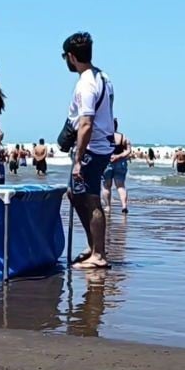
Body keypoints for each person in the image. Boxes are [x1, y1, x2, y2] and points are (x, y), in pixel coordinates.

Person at [62, 32, 115, 271]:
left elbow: (86, 123)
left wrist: (77, 160)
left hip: (93, 148)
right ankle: (93, 246)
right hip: (100, 145)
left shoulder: (86, 85)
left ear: (71, 57)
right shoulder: (103, 76)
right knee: (75, 194)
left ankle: (99, 254)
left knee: (91, 198)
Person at [102, 119, 132, 214]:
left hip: (106, 162)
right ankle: (124, 206)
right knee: (121, 186)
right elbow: (128, 150)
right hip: (120, 162)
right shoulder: (123, 137)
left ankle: (108, 207)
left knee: (106, 186)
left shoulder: (103, 137)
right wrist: (119, 156)